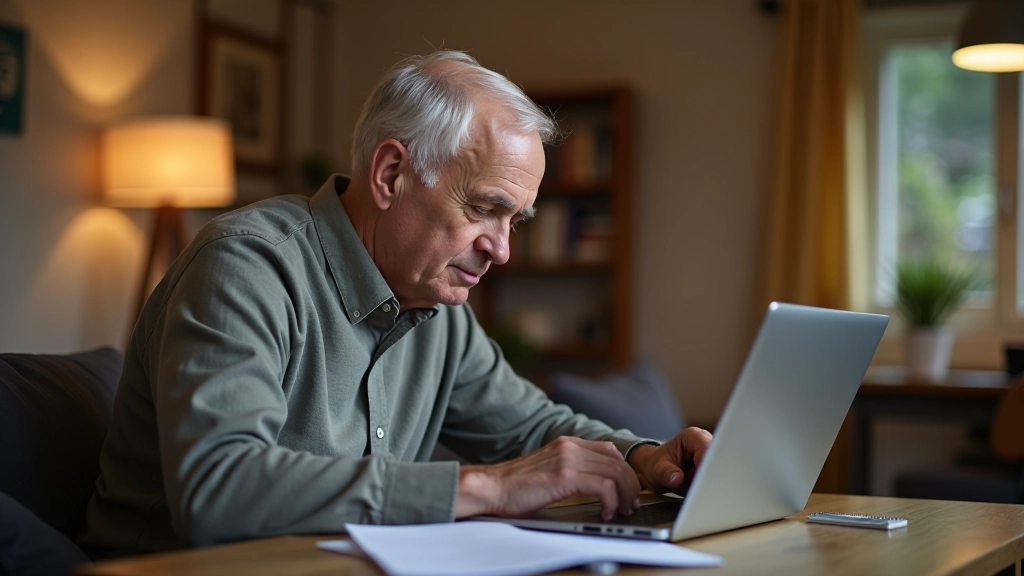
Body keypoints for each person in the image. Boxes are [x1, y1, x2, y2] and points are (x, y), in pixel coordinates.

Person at [79, 50, 713, 557]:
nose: (503, 250)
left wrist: (646, 457)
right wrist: (485, 487)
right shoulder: (246, 267)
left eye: (516, 220)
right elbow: (220, 487)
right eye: (486, 208)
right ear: (390, 175)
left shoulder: (437, 308)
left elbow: (530, 428)